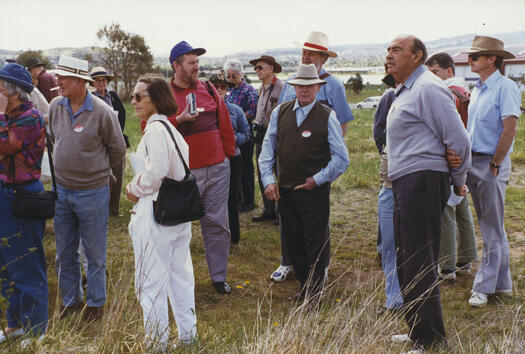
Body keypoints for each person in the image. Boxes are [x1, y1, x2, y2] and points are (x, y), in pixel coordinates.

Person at [385, 35, 471, 351]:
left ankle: (431, 340)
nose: (389, 56)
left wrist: (458, 180)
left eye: (396, 50)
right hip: (406, 182)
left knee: (419, 261)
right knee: (407, 260)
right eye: (388, 50)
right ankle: (418, 330)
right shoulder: (405, 90)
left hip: (422, 182)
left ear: (418, 56)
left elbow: (459, 141)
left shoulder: (429, 88)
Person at [259, 63, 349, 302]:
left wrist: (317, 179)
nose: (304, 90)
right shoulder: (280, 112)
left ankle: (315, 291)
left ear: (318, 88)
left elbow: (342, 159)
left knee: (315, 240)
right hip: (285, 191)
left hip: (314, 192)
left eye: (310, 86)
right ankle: (304, 284)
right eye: (300, 86)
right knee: (293, 239)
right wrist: (269, 180)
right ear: (294, 87)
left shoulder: (327, 116)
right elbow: (267, 150)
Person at [272, 31, 354, 283]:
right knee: (287, 214)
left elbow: (340, 124)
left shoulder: (333, 84)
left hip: (316, 162)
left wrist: (328, 163)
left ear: (323, 58)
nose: (306, 57)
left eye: (312, 53)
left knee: (316, 218)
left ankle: (320, 266)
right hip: (286, 161)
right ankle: (289, 261)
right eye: (304, 52)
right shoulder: (292, 82)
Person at [48, 55, 126, 320]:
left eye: (63, 78)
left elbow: (117, 149)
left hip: (93, 192)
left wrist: (95, 172)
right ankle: (70, 301)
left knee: (94, 253)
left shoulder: (102, 112)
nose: (58, 82)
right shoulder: (56, 106)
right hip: (62, 192)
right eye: (57, 77)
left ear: (81, 82)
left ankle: (95, 304)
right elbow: (53, 140)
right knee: (65, 251)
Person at [125, 75, 197, 348]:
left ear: (156, 99)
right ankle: (189, 337)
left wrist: (134, 186)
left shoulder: (156, 130)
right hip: (177, 213)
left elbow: (155, 173)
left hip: (156, 212)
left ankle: (157, 344)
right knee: (180, 276)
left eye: (139, 96)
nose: (133, 102)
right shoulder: (171, 129)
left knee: (151, 281)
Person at [166, 41, 236, 294]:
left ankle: (219, 277)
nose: (196, 66)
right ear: (176, 65)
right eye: (190, 62)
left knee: (217, 224)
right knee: (179, 228)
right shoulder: (165, 93)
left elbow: (225, 123)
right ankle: (177, 279)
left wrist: (226, 155)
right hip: (184, 174)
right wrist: (180, 120)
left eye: (197, 62)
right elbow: (148, 127)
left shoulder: (208, 87)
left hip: (218, 168)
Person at [462, 36, 520, 307]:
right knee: (492, 224)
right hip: (475, 161)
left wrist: (495, 163)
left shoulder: (505, 87)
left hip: (490, 163)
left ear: (491, 59)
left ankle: (483, 287)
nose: (470, 61)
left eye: (475, 56)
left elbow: (510, 128)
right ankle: (502, 284)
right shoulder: (478, 89)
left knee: (491, 226)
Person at [0, 63, 48, 345]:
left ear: (12, 91)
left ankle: (36, 330)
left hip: (21, 196)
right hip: (4, 194)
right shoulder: (8, 117)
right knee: (6, 264)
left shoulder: (30, 118)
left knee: (27, 263)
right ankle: (14, 325)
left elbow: (4, 146)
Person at [426, 52, 477, 280]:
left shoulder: (447, 92)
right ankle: (466, 259)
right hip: (467, 156)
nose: (433, 77)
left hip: (451, 156)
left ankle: (447, 267)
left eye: (435, 72)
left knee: (446, 210)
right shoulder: (467, 91)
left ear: (449, 70)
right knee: (462, 209)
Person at [372, 72, 403, 313]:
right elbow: (378, 130)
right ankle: (393, 300)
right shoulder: (389, 97)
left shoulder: (424, 95)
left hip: (413, 180)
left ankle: (414, 296)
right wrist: (386, 150)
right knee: (390, 243)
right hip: (389, 181)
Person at [209, 72, 251, 244]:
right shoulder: (204, 111)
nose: (219, 90)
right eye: (216, 86)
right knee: (212, 198)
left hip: (233, 158)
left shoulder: (235, 110)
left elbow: (247, 133)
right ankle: (214, 236)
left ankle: (233, 237)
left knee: (232, 197)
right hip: (211, 160)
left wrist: (231, 139)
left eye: (223, 87)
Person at [249, 55, 284, 223]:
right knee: (263, 171)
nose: (257, 71)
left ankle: (280, 212)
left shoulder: (281, 87)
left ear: (271, 68)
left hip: (276, 135)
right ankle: (268, 209)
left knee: (279, 171)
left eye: (260, 67)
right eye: (256, 68)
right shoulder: (261, 88)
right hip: (261, 134)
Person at [90, 66, 128, 216]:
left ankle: (114, 208)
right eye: (98, 81)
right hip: (98, 141)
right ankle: (99, 207)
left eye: (103, 80)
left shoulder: (112, 96)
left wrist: (118, 132)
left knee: (118, 173)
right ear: (93, 83)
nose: (101, 83)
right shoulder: (90, 98)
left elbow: (123, 113)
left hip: (115, 139)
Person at [224, 58, 258, 213]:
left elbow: (253, 110)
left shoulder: (248, 89)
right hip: (231, 134)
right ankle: (236, 199)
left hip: (244, 133)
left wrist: (240, 116)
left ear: (241, 74)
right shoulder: (229, 90)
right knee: (234, 169)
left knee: (246, 169)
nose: (231, 79)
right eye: (228, 76)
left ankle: (249, 200)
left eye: (233, 76)